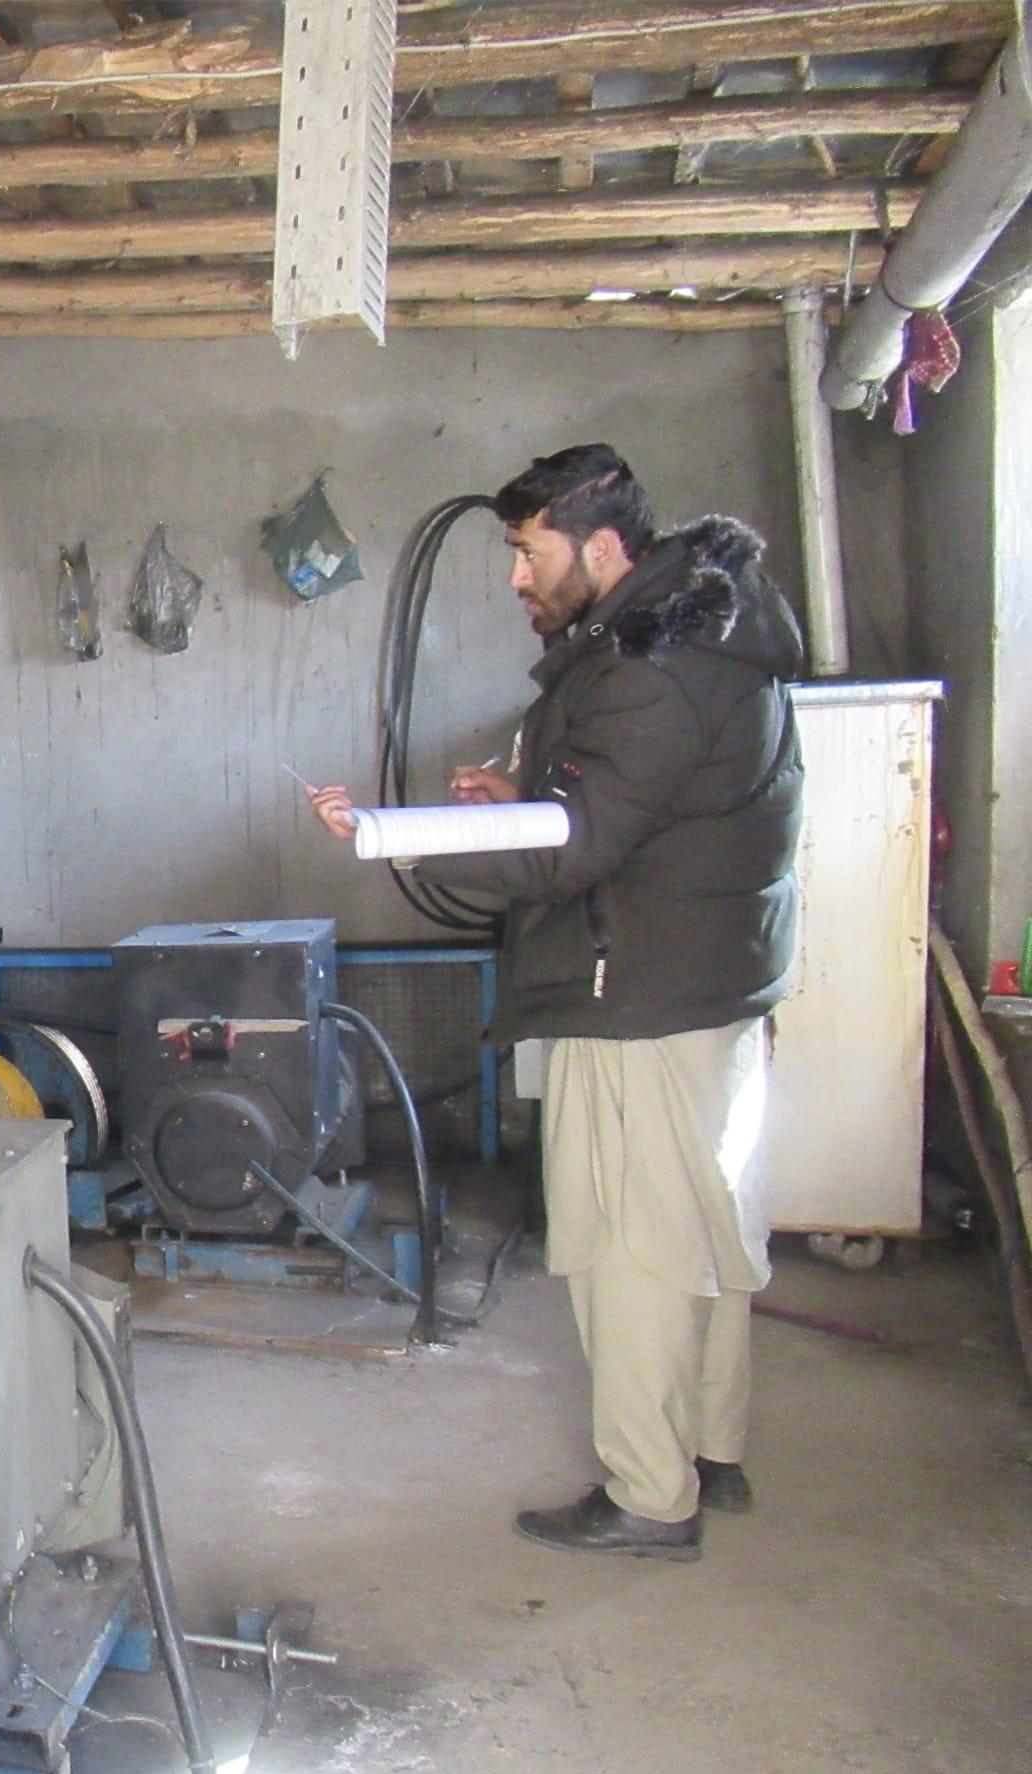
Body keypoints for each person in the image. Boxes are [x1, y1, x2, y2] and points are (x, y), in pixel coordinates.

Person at [308, 444, 803, 1561]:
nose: (516, 580)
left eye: (527, 555)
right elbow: (626, 806)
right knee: (706, 1233)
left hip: (631, 995)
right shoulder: (699, 639)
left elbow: (572, 850)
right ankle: (708, 1452)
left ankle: (646, 1498)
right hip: (704, 984)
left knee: (630, 1251)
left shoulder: (651, 666)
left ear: (600, 544)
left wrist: (394, 839)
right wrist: (524, 794)